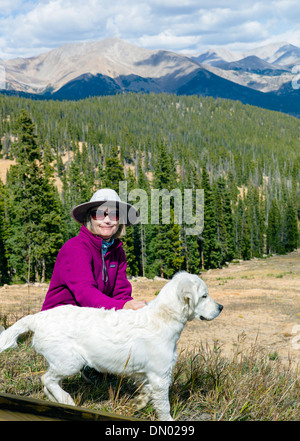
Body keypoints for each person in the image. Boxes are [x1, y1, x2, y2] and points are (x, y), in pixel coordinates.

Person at [41, 188, 147, 312]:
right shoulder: (75, 248)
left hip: (92, 318)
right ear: (90, 218)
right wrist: (122, 306)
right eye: (99, 214)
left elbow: (121, 294)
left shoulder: (117, 251)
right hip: (60, 320)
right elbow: (85, 294)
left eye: (114, 215)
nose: (107, 220)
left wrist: (133, 306)